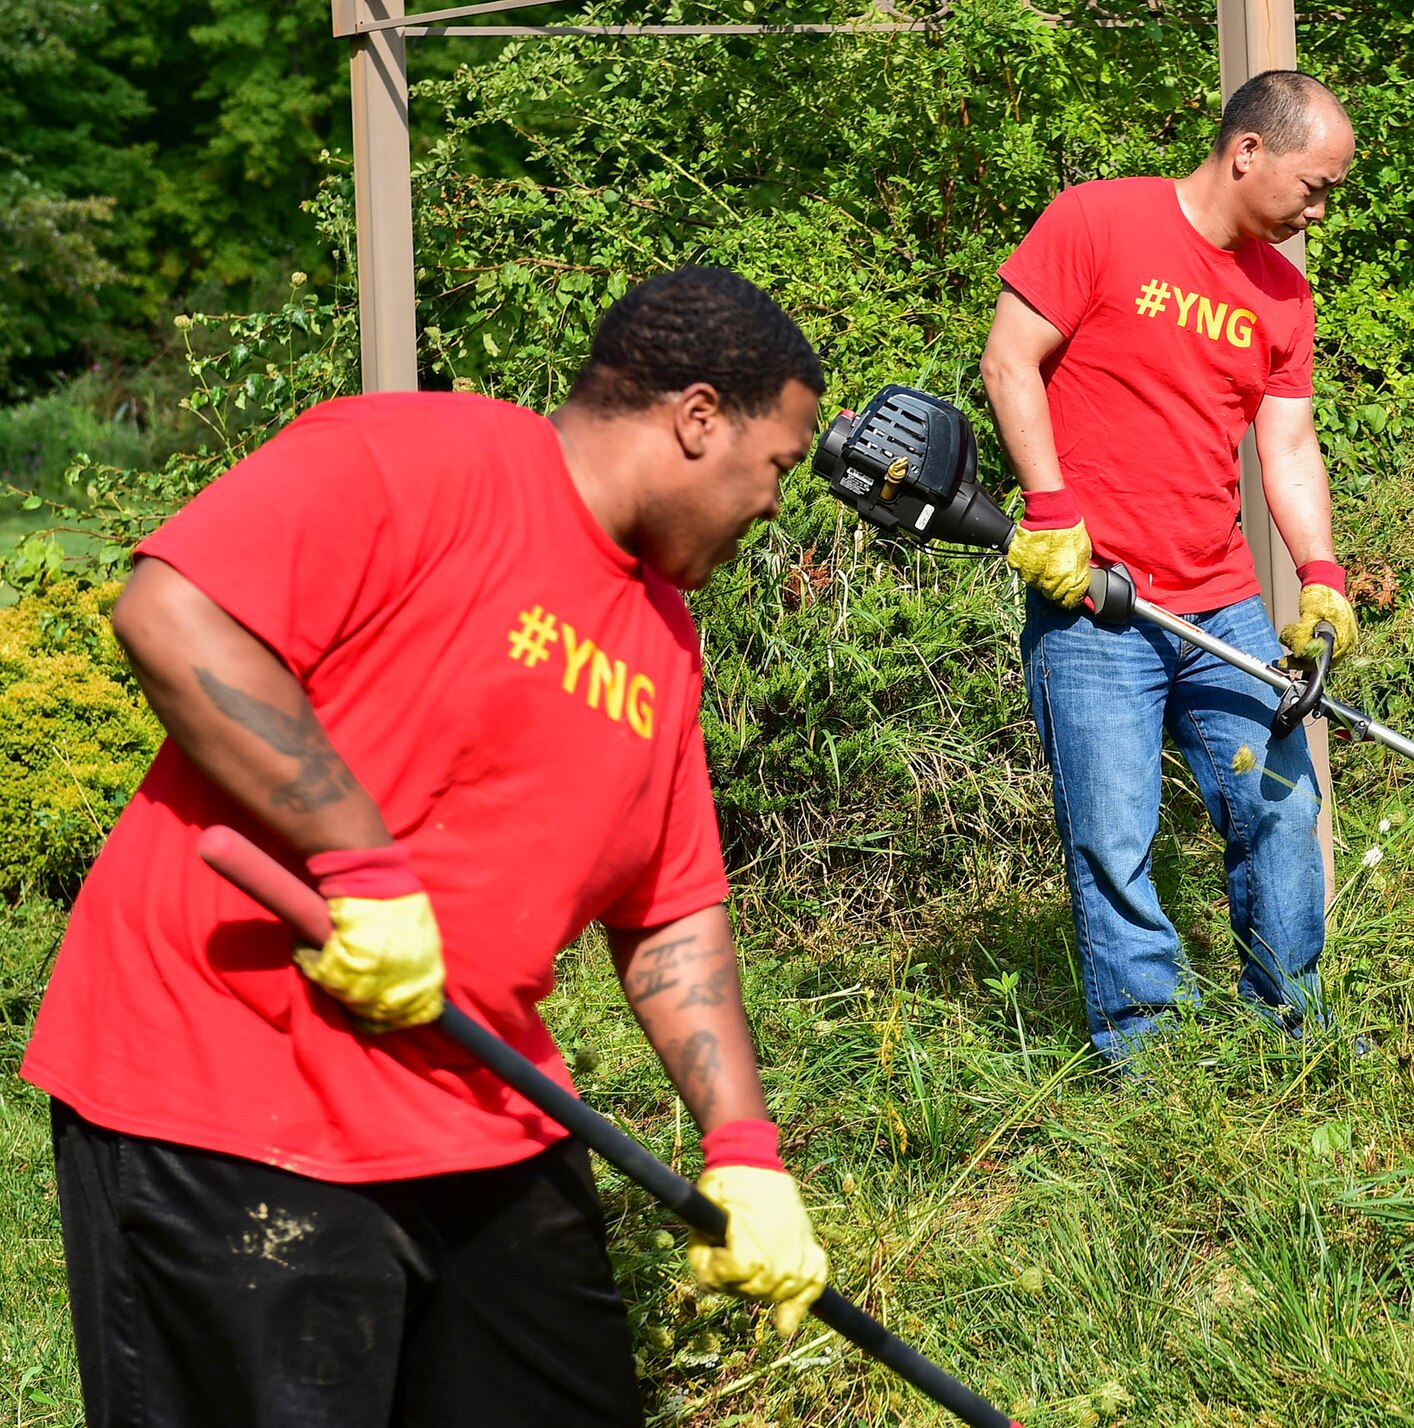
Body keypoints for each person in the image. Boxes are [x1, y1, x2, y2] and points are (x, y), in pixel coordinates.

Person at [22, 266, 830, 1426]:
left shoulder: (661, 637)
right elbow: (172, 611)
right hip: (231, 1103)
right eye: (777, 468)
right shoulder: (418, 455)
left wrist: (743, 1148)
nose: (771, 505)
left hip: (481, 1112)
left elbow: (669, 910)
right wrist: (360, 862)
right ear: (698, 420)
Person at [979, 70, 1360, 1066]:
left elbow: (1285, 446)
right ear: (1246, 154)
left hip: (1220, 599)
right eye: (1312, 187)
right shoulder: (1097, 222)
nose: (1318, 209)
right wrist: (1052, 513)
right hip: (1091, 600)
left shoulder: (1283, 294)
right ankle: (1141, 1061)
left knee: (1277, 807)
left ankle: (1288, 1031)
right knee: (1111, 841)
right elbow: (1008, 358)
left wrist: (1318, 572)